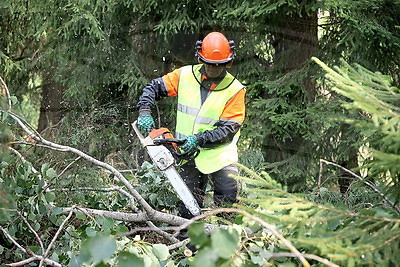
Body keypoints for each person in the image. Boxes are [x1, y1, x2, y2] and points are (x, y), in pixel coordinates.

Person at [136, 32, 246, 219]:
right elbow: (153, 87)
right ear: (201, 57)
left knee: (227, 204)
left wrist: (198, 139)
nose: (213, 68)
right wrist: (145, 110)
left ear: (227, 62)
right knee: (188, 207)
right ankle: (187, 247)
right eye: (209, 63)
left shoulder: (235, 89)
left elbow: (228, 130)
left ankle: (224, 241)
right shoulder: (185, 75)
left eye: (218, 65)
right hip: (187, 154)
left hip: (220, 156)